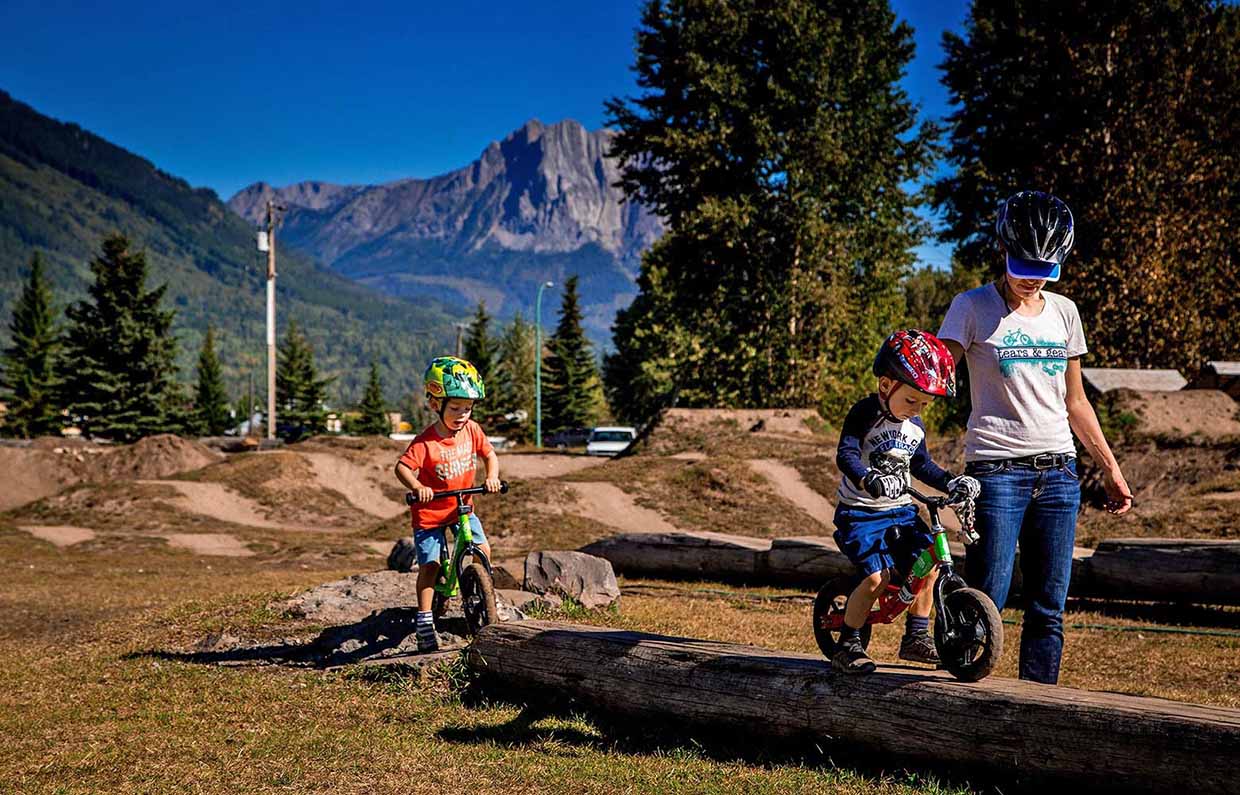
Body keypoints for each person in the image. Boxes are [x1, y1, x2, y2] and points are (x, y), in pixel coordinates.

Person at [937, 190, 1133, 685]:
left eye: (1046, 266)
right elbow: (934, 375)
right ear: (1002, 249)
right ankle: (962, 699)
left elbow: (1076, 402)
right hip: (996, 472)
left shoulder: (1065, 313)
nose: (1033, 275)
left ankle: (1037, 706)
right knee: (988, 596)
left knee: (1049, 606)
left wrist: (1109, 468)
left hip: (1059, 474)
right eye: (1024, 262)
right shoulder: (972, 307)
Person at [832, 329, 981, 675]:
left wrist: (951, 481)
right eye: (911, 401)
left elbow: (921, 465)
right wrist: (869, 478)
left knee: (929, 564)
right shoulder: (866, 413)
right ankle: (848, 643)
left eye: (925, 405)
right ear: (886, 386)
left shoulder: (913, 425)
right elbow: (847, 454)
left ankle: (915, 636)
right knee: (876, 579)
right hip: (862, 514)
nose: (917, 410)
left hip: (900, 510)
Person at [394, 356, 503, 652]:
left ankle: (489, 596)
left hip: (462, 509)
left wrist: (492, 477)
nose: (462, 415)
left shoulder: (473, 431)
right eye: (455, 408)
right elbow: (402, 468)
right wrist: (418, 487)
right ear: (435, 404)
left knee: (483, 549)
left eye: (467, 408)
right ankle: (425, 620)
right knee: (430, 565)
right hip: (430, 513)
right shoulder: (425, 442)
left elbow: (489, 455)